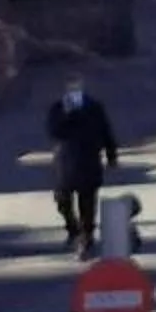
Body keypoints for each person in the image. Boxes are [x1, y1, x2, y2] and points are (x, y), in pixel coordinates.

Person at [46, 81, 121, 258]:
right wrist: (68, 114)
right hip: (67, 159)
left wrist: (111, 154)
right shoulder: (58, 108)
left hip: (89, 157)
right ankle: (73, 229)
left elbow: (106, 131)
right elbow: (54, 131)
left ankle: (86, 237)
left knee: (87, 201)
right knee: (62, 199)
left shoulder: (95, 108)